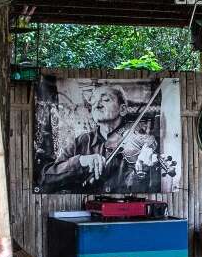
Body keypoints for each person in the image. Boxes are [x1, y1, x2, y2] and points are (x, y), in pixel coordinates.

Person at [38, 82, 174, 193]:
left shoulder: (140, 145)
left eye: (105, 99)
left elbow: (144, 190)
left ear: (123, 109)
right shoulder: (81, 142)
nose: (97, 105)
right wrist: (80, 162)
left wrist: (142, 172)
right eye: (94, 102)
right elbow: (45, 179)